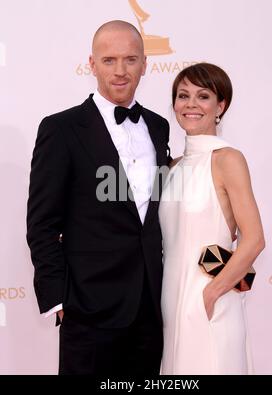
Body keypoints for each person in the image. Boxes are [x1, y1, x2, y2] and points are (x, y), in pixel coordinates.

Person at [26, 20, 171, 375]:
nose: (120, 71)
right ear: (92, 64)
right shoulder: (60, 129)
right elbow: (42, 223)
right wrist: (58, 299)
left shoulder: (158, 126)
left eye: (130, 60)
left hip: (151, 305)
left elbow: (155, 210)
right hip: (88, 309)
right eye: (109, 60)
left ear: (145, 64)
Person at [159, 63, 265, 374]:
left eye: (202, 96)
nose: (190, 104)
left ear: (221, 106)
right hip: (169, 303)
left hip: (210, 302)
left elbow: (255, 238)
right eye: (183, 95)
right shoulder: (172, 167)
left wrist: (212, 293)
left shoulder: (228, 159)